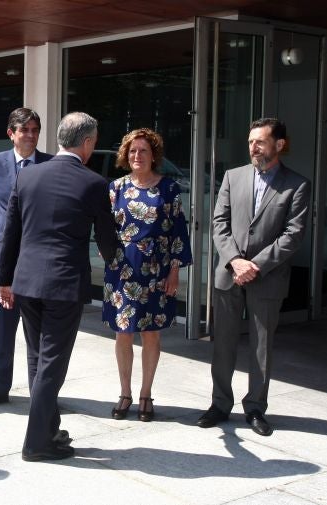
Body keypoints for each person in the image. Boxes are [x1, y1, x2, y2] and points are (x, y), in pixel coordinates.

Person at [0, 112, 117, 461]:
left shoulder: (28, 176)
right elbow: (107, 239)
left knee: (37, 359)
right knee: (52, 363)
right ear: (87, 142)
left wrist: (5, 279)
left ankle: (49, 428)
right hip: (64, 283)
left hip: (27, 281)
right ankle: (37, 442)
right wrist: (117, 261)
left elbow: (11, 234)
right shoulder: (94, 182)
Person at [197, 118, 310, 436]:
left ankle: (256, 408)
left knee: (262, 346)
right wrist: (235, 260)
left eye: (260, 141)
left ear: (279, 144)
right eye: (250, 142)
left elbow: (293, 235)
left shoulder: (297, 185)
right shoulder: (233, 177)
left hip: (267, 277)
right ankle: (220, 404)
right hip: (229, 274)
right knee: (224, 344)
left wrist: (254, 265)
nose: (253, 147)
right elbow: (219, 222)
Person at [102, 128, 192, 422]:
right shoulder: (115, 188)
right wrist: (107, 256)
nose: (137, 156)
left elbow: (178, 232)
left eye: (143, 151)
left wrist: (175, 271)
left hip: (156, 269)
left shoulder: (168, 189)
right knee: (123, 332)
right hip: (122, 268)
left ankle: (145, 394)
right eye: (132, 151)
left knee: (150, 332)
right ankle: (125, 393)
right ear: (125, 156)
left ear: (154, 155)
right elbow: (105, 229)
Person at [0, 108, 54, 410]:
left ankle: (42, 393)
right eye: (24, 130)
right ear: (11, 133)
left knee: (39, 331)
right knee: (5, 328)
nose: (30, 135)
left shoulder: (50, 164)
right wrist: (3, 234)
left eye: (35, 130)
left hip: (37, 261)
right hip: (2, 259)